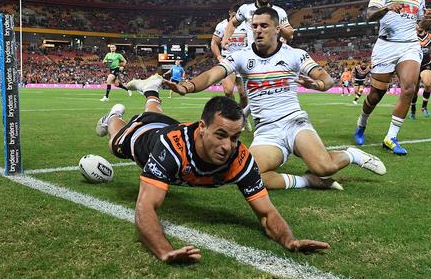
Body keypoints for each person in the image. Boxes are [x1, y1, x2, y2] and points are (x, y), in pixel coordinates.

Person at [94, 80, 330, 263]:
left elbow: (267, 214)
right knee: (116, 143)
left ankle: (151, 91)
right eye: (221, 135)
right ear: (202, 128)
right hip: (144, 137)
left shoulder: (241, 159)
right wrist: (164, 250)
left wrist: (289, 239)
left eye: (235, 137)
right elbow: (145, 208)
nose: (228, 146)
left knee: (154, 113)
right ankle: (113, 116)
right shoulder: (172, 148)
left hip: (167, 123)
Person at [166, 7, 386, 191]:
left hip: (294, 122)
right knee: (249, 176)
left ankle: (353, 155)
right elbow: (213, 74)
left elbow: (327, 80)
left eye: (264, 26)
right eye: (255, 26)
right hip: (267, 131)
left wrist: (316, 84)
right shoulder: (241, 56)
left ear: (277, 29)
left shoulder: (294, 54)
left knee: (325, 166)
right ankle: (308, 181)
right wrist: (189, 86)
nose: (258, 30)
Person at [353, 0, 431, 155]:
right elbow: (370, 15)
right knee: (375, 95)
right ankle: (362, 123)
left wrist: (426, 23)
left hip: (410, 46)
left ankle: (390, 137)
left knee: (409, 88)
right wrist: (386, 7)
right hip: (386, 46)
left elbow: (420, 23)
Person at [211, 4, 252, 130]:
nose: (237, 17)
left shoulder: (247, 25)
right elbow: (214, 42)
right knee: (228, 91)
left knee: (244, 95)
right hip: (228, 59)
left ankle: (242, 117)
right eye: (234, 15)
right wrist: (218, 57)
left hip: (243, 61)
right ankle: (235, 117)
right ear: (230, 13)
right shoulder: (222, 25)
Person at [223, 0, 294, 48]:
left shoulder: (279, 12)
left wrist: (275, 25)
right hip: (252, 55)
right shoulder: (245, 9)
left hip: (273, 55)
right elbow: (232, 23)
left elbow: (290, 36)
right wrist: (226, 38)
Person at [410, 26, 431, 119]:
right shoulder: (410, 36)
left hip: (425, 64)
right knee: (414, 91)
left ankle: (424, 106)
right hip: (413, 65)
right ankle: (413, 108)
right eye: (417, 23)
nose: (418, 26)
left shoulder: (430, 37)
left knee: (427, 84)